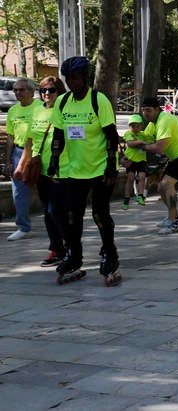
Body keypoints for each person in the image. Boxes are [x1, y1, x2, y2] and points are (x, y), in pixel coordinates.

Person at [48, 56, 121, 283]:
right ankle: (74, 255)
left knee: (99, 213)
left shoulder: (98, 101)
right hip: (74, 169)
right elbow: (58, 135)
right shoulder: (62, 102)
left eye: (76, 78)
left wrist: (111, 165)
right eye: (68, 79)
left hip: (100, 168)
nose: (72, 83)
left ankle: (109, 253)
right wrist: (54, 160)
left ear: (85, 78)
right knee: (71, 215)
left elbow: (111, 136)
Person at [128, 96, 178, 234]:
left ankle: (173, 222)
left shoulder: (164, 120)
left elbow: (159, 148)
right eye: (143, 110)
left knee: (166, 184)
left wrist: (141, 146)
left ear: (157, 109)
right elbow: (145, 138)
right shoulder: (153, 123)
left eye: (148, 110)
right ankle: (175, 217)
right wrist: (131, 139)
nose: (145, 113)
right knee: (161, 187)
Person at [20, 77, 66, 265]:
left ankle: (69, 247)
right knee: (47, 211)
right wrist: (22, 164)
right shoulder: (37, 110)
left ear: (59, 92)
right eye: (43, 90)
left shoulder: (64, 110)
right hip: (41, 169)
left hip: (61, 169)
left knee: (57, 210)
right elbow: (30, 140)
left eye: (52, 90)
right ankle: (56, 249)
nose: (47, 93)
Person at [7, 78, 38, 241]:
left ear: (31, 91)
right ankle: (23, 227)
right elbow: (10, 136)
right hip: (19, 152)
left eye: (22, 89)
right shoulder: (13, 110)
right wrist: (8, 159)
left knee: (47, 190)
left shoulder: (40, 107)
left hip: (39, 152)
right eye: (16, 90)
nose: (18, 93)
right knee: (18, 192)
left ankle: (58, 223)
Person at [121, 114, 151, 210]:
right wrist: (141, 142)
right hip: (131, 160)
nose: (135, 128)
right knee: (130, 178)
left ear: (141, 126)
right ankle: (126, 198)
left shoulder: (143, 135)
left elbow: (150, 142)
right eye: (133, 126)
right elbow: (130, 143)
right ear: (129, 126)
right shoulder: (128, 133)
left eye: (138, 126)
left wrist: (145, 142)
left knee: (142, 177)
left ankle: (140, 195)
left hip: (141, 160)